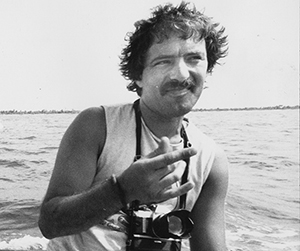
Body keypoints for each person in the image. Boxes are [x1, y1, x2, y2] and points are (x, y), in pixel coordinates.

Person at [38, 2, 229, 251]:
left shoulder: (212, 160)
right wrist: (122, 190)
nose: (181, 75)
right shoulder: (97, 126)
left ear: (208, 67)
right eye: (163, 62)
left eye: (194, 58)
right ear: (138, 75)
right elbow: (50, 224)